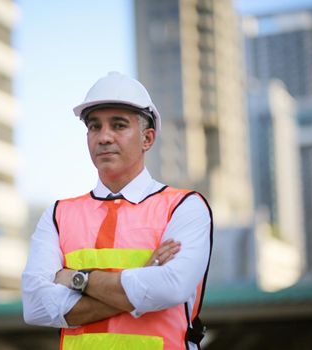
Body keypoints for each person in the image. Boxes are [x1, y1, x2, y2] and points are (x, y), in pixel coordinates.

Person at [22, 72, 213, 350]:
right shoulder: (58, 214)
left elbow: (171, 286)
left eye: (119, 125)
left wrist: (77, 278)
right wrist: (139, 286)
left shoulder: (185, 206)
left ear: (148, 138)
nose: (104, 137)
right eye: (94, 127)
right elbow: (35, 307)